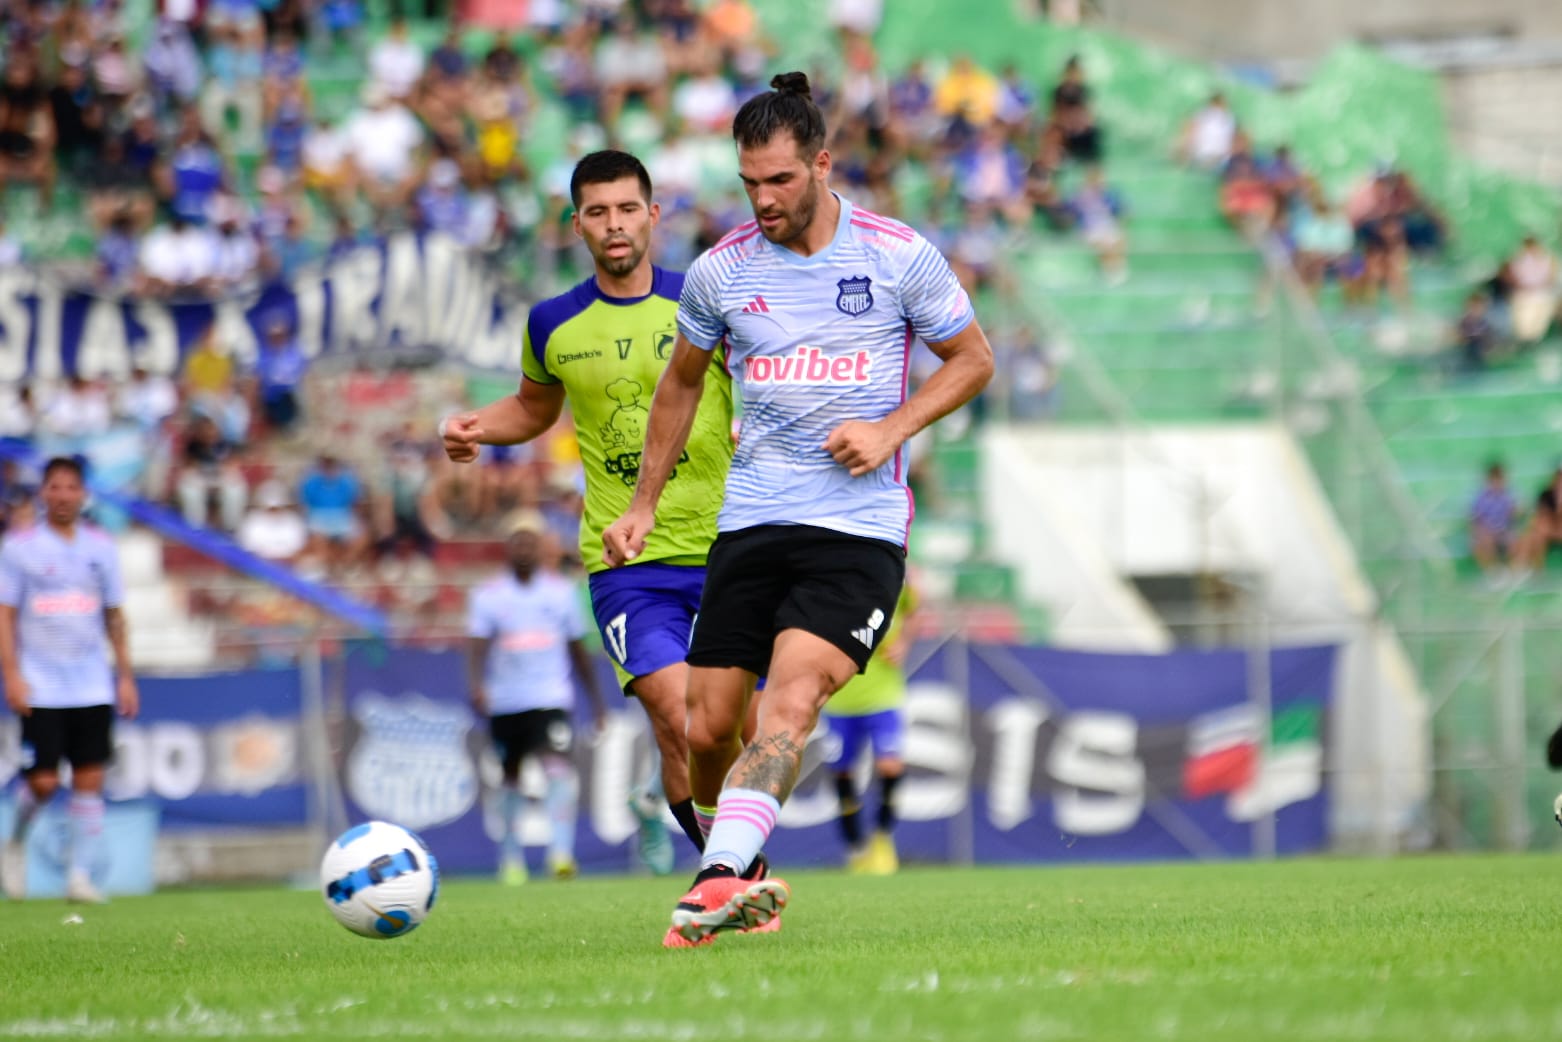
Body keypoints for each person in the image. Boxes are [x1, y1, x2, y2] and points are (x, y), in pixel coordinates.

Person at [602, 72, 993, 946]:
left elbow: (972, 360)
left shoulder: (896, 255)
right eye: (751, 184)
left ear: (822, 163)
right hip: (749, 524)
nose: (765, 199)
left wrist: (893, 427)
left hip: (855, 532)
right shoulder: (721, 272)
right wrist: (643, 505)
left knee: (788, 708)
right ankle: (746, 868)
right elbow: (680, 386)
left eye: (780, 180)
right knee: (706, 732)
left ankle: (711, 882)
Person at [440, 150, 736, 879]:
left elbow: (762, 385)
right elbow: (533, 408)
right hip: (626, 563)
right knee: (680, 720)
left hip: (728, 549)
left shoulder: (704, 303)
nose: (614, 224)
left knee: (716, 734)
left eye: (627, 209)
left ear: (652, 215)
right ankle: (732, 877)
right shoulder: (554, 323)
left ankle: (720, 853)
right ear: (576, 225)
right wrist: (477, 425)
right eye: (597, 212)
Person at [0, 457, 138, 903]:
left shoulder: (101, 548)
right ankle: (14, 842)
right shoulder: (20, 548)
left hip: (91, 683)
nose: (62, 495)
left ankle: (80, 877)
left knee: (89, 779)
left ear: (83, 494)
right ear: (43, 493)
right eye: (54, 487)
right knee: (42, 782)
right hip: (41, 682)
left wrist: (125, 676)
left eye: (70, 487)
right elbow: (5, 613)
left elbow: (114, 614)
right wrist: (13, 674)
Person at [466, 513, 607, 883]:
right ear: (508, 547)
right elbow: (477, 645)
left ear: (541, 546)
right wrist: (477, 684)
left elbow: (577, 648)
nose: (524, 548)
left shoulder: (560, 592)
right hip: (507, 700)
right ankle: (510, 857)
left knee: (556, 769)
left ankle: (560, 853)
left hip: (550, 696)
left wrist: (596, 700)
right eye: (518, 541)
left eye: (531, 541)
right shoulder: (489, 596)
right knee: (510, 776)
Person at [821, 580, 915, 873]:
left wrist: (904, 642)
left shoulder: (899, 580)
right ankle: (854, 846)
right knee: (842, 772)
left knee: (890, 766)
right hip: (841, 699)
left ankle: (882, 837)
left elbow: (913, 612)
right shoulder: (833, 586)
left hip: (883, 696)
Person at [1468, 462, 1517, 578]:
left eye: (1499, 478)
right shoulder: (1481, 497)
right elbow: (1474, 520)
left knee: (1517, 540)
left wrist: (1516, 511)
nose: (1497, 482)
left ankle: (1513, 572)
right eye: (1494, 479)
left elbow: (1516, 514)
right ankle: (1493, 572)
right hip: (1487, 532)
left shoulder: (1509, 495)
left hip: (1504, 531)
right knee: (1481, 540)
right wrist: (1481, 531)